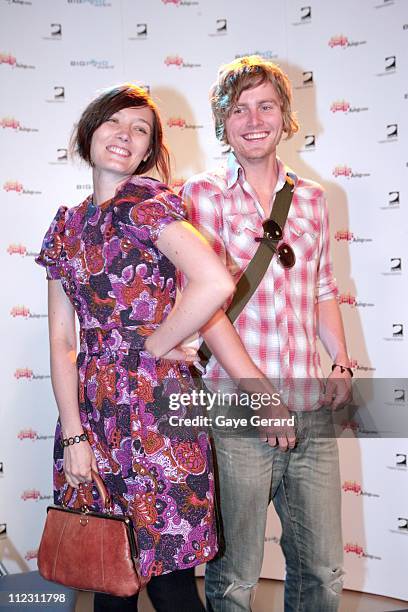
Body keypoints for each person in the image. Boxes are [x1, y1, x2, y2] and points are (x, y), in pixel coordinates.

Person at [35, 84, 240, 612]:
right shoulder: (66, 226)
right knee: (108, 567)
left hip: (158, 410)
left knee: (171, 582)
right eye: (114, 122)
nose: (125, 135)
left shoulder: (148, 205)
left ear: (149, 151)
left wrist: (154, 342)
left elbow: (214, 283)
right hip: (93, 412)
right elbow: (61, 341)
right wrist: (74, 436)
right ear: (90, 130)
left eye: (140, 129)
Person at [181, 56, 353, 612]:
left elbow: (324, 287)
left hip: (309, 405)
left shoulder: (312, 199)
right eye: (238, 110)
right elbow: (202, 310)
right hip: (237, 409)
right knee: (236, 578)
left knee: (323, 571)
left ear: (285, 117)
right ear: (222, 123)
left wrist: (342, 361)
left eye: (265, 106)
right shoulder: (200, 196)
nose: (253, 120)